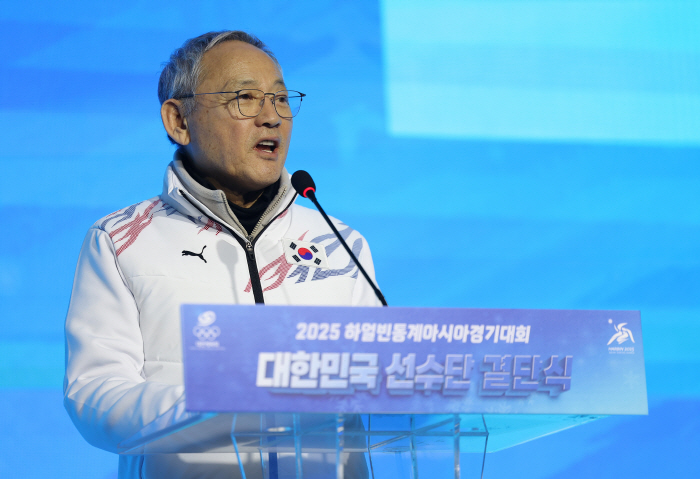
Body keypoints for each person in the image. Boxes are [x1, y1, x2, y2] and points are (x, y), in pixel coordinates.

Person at [64, 30, 381, 479]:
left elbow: (377, 389)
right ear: (179, 121)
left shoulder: (338, 242)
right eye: (245, 99)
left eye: (281, 98)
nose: (272, 117)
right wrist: (223, 404)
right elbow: (95, 395)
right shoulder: (120, 240)